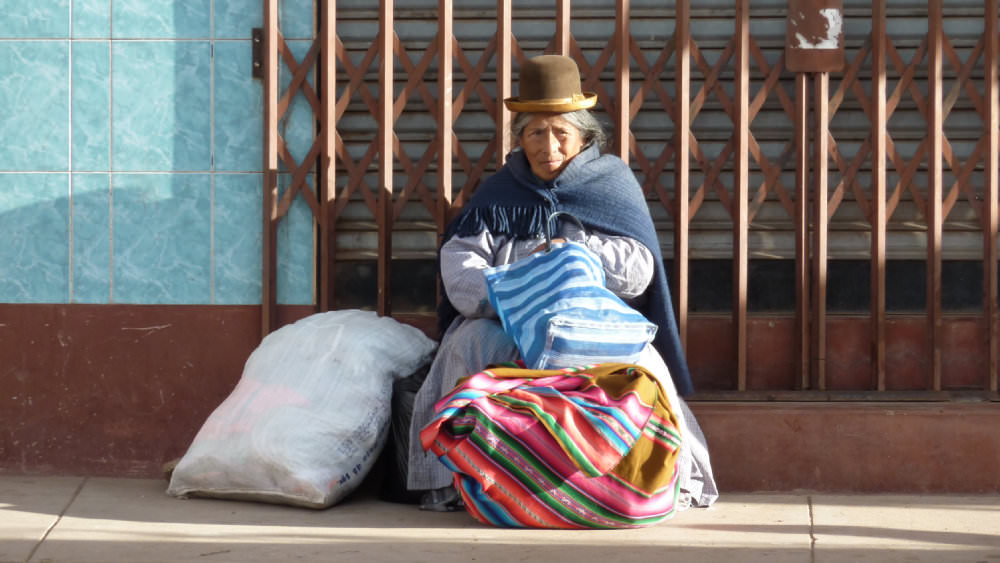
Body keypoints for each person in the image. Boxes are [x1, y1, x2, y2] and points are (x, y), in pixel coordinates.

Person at [407, 54, 717, 512]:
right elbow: (460, 262)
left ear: (584, 135)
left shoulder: (611, 184)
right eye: (535, 132)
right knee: (467, 346)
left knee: (643, 360)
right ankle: (454, 479)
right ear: (520, 137)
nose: (548, 146)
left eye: (560, 133)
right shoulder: (500, 192)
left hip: (593, 322)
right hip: (506, 320)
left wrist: (577, 257)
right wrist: (510, 290)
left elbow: (639, 270)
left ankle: (663, 476)